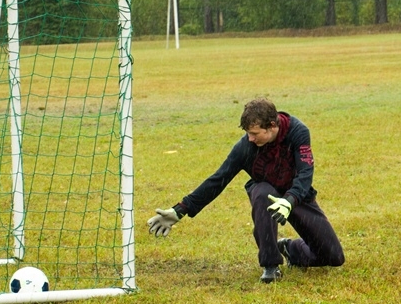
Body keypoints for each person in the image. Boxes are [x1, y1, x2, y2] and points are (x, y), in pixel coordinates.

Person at [146, 98, 345, 283]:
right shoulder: (245, 147)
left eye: (255, 133)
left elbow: (305, 173)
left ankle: (289, 248)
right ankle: (270, 265)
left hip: (297, 194)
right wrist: (180, 209)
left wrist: (290, 200)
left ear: (272, 126)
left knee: (334, 256)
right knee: (262, 194)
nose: (250, 138)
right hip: (265, 190)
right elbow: (217, 181)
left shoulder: (298, 132)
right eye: (247, 133)